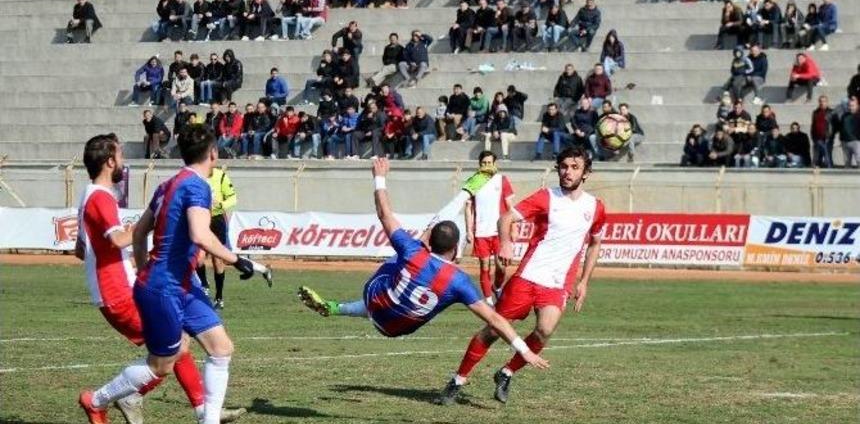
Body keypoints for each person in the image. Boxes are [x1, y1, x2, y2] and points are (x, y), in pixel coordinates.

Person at [78, 125, 271, 424]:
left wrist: (143, 268)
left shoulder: (167, 185)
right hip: (164, 287)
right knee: (162, 364)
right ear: (214, 154)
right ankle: (98, 399)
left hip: (179, 283)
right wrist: (238, 260)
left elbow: (140, 232)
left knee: (221, 348)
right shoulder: (199, 186)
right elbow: (200, 234)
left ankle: (206, 418)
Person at [297, 157, 548, 375]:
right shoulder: (459, 281)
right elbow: (495, 318)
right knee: (403, 280)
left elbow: (385, 214)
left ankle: (461, 196)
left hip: (377, 301)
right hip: (397, 327)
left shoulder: (413, 250)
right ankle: (334, 308)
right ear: (456, 249)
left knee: (400, 262)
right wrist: (523, 350)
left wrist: (380, 179)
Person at [439, 146, 603, 405]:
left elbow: (595, 243)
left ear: (586, 173)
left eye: (574, 167)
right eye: (564, 166)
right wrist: (505, 242)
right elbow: (506, 218)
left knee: (545, 330)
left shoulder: (595, 207)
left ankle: (506, 373)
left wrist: (583, 281)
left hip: (558, 284)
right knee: (493, 330)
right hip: (528, 277)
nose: (567, 172)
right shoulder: (546, 197)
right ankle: (458, 380)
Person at [464, 151, 515, 304]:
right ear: (479, 165)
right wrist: (469, 230)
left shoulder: (502, 180)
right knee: (484, 266)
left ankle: (497, 288)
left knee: (502, 267)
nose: (486, 165)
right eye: (483, 163)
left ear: (495, 164)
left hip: (499, 232)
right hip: (481, 232)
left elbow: (510, 207)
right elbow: (468, 208)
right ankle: (488, 301)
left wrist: (513, 228)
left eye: (489, 163)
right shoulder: (473, 182)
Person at [196, 166, 238, 310]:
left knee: (217, 259)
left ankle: (219, 297)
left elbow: (233, 198)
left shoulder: (220, 176)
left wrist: (221, 204)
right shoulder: (195, 175)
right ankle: (204, 284)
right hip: (200, 218)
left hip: (217, 219)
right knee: (198, 257)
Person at [810, 95, 836, 168]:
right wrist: (813, 137)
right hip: (817, 139)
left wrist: (831, 136)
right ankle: (818, 177)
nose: (822, 103)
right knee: (817, 160)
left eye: (824, 101)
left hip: (827, 139)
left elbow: (834, 126)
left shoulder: (831, 112)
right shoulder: (815, 112)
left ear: (827, 102)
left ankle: (830, 172)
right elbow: (813, 125)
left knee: (828, 158)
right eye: (820, 101)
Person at [835, 96, 860, 168]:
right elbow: (842, 128)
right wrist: (841, 139)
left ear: (857, 106)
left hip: (856, 142)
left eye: (852, 106)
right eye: (849, 105)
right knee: (847, 163)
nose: (850, 107)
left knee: (859, 160)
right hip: (845, 142)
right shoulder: (844, 116)